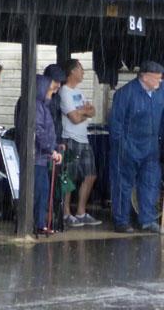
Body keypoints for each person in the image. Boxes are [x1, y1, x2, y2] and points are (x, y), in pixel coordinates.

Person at [108, 61, 164, 234]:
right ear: (145, 77)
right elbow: (115, 125)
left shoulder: (160, 93)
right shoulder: (125, 94)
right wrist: (123, 147)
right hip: (128, 147)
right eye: (157, 78)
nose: (160, 82)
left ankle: (147, 220)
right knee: (123, 185)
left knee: (150, 183)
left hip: (152, 147)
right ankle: (121, 221)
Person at [58, 59, 100, 227]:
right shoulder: (64, 92)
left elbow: (93, 111)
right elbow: (74, 118)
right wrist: (84, 112)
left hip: (84, 138)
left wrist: (81, 111)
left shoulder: (79, 92)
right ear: (73, 71)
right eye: (81, 70)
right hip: (70, 138)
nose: (83, 73)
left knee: (91, 175)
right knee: (69, 176)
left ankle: (81, 211)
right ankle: (66, 212)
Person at [32, 74, 63, 235]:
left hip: (42, 156)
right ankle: (38, 223)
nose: (52, 92)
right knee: (40, 191)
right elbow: (38, 131)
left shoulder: (41, 105)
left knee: (43, 191)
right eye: (50, 89)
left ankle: (40, 222)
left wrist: (54, 147)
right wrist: (51, 150)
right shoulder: (37, 106)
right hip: (38, 157)